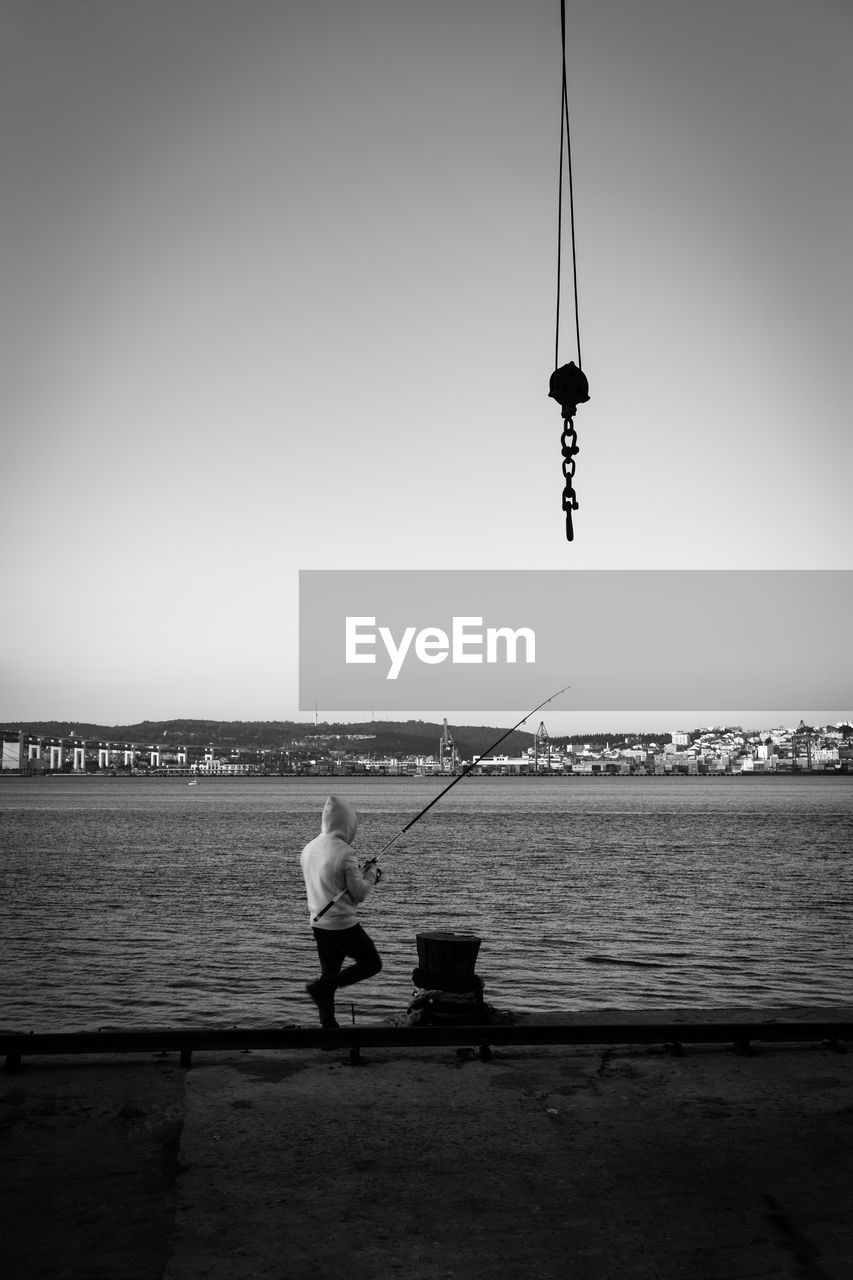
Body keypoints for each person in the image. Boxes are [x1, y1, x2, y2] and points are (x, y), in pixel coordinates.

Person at [300, 794, 383, 1028]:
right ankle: (322, 987)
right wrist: (371, 874)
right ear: (347, 823)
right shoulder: (345, 852)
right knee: (371, 964)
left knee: (329, 973)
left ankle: (328, 1027)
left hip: (318, 924)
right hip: (342, 925)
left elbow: (330, 883)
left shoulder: (309, 848)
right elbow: (360, 894)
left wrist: (359, 873)